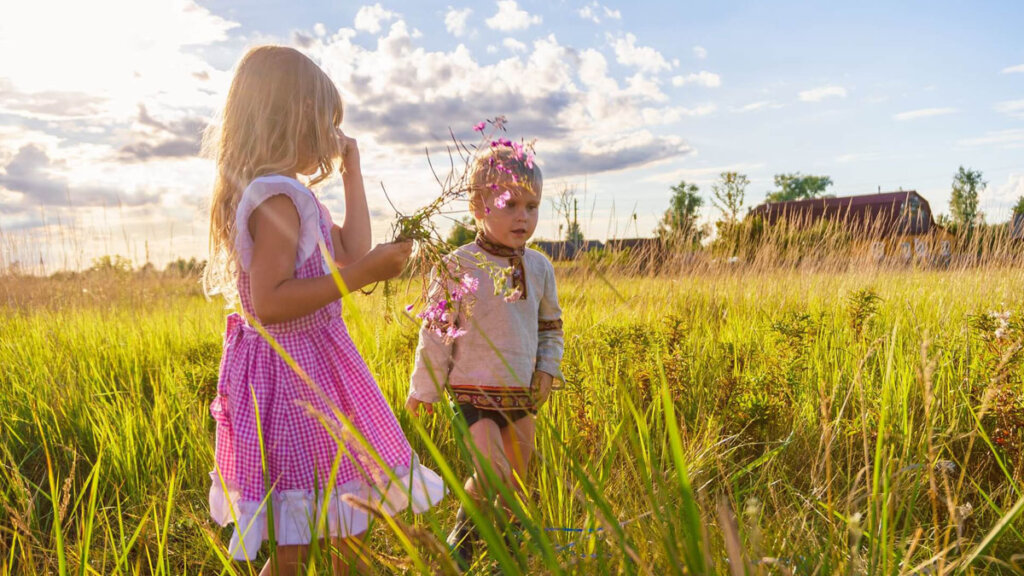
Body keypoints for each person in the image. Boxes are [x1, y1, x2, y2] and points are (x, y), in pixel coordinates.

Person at [202, 45, 444, 575]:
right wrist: (360, 277)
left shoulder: (294, 195)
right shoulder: (275, 199)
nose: (333, 136)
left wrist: (352, 169)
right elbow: (268, 301)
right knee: (300, 540)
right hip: (292, 383)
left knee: (337, 525)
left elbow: (355, 249)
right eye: (326, 122)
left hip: (312, 373)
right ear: (290, 119)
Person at [405, 144, 564, 564]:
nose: (523, 217)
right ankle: (457, 553)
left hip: (521, 395)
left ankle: (499, 559)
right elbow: (436, 332)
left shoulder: (541, 268)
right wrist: (425, 388)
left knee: (514, 483)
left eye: (532, 206)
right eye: (510, 204)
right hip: (470, 391)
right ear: (478, 205)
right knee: (491, 472)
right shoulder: (457, 265)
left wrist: (547, 370)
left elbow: (550, 327)